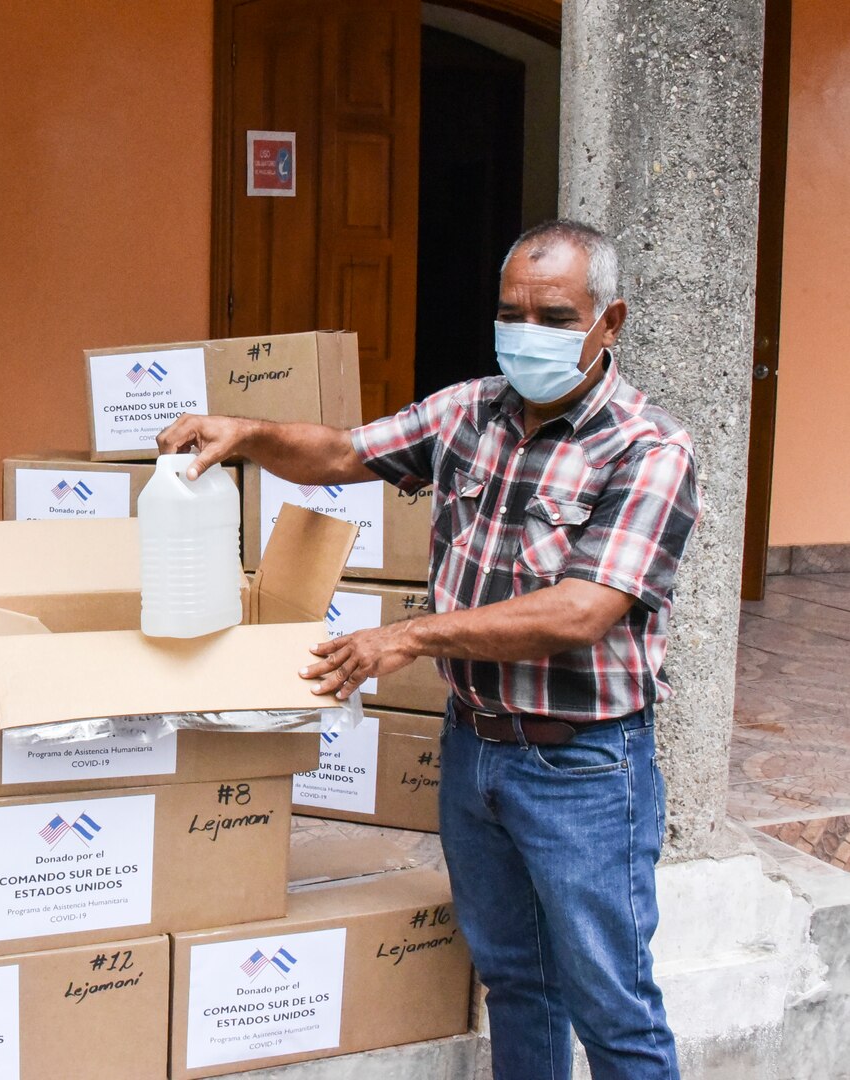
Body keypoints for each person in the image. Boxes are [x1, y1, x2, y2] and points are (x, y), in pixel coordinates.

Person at [161, 219, 696, 1080]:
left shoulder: (646, 448)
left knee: (611, 1007)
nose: (527, 333)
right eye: (508, 312)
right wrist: (245, 431)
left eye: (553, 316)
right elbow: (339, 452)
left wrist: (407, 634)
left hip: (582, 769)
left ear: (610, 322)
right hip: (474, 751)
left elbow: (581, 612)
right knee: (516, 982)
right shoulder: (465, 412)